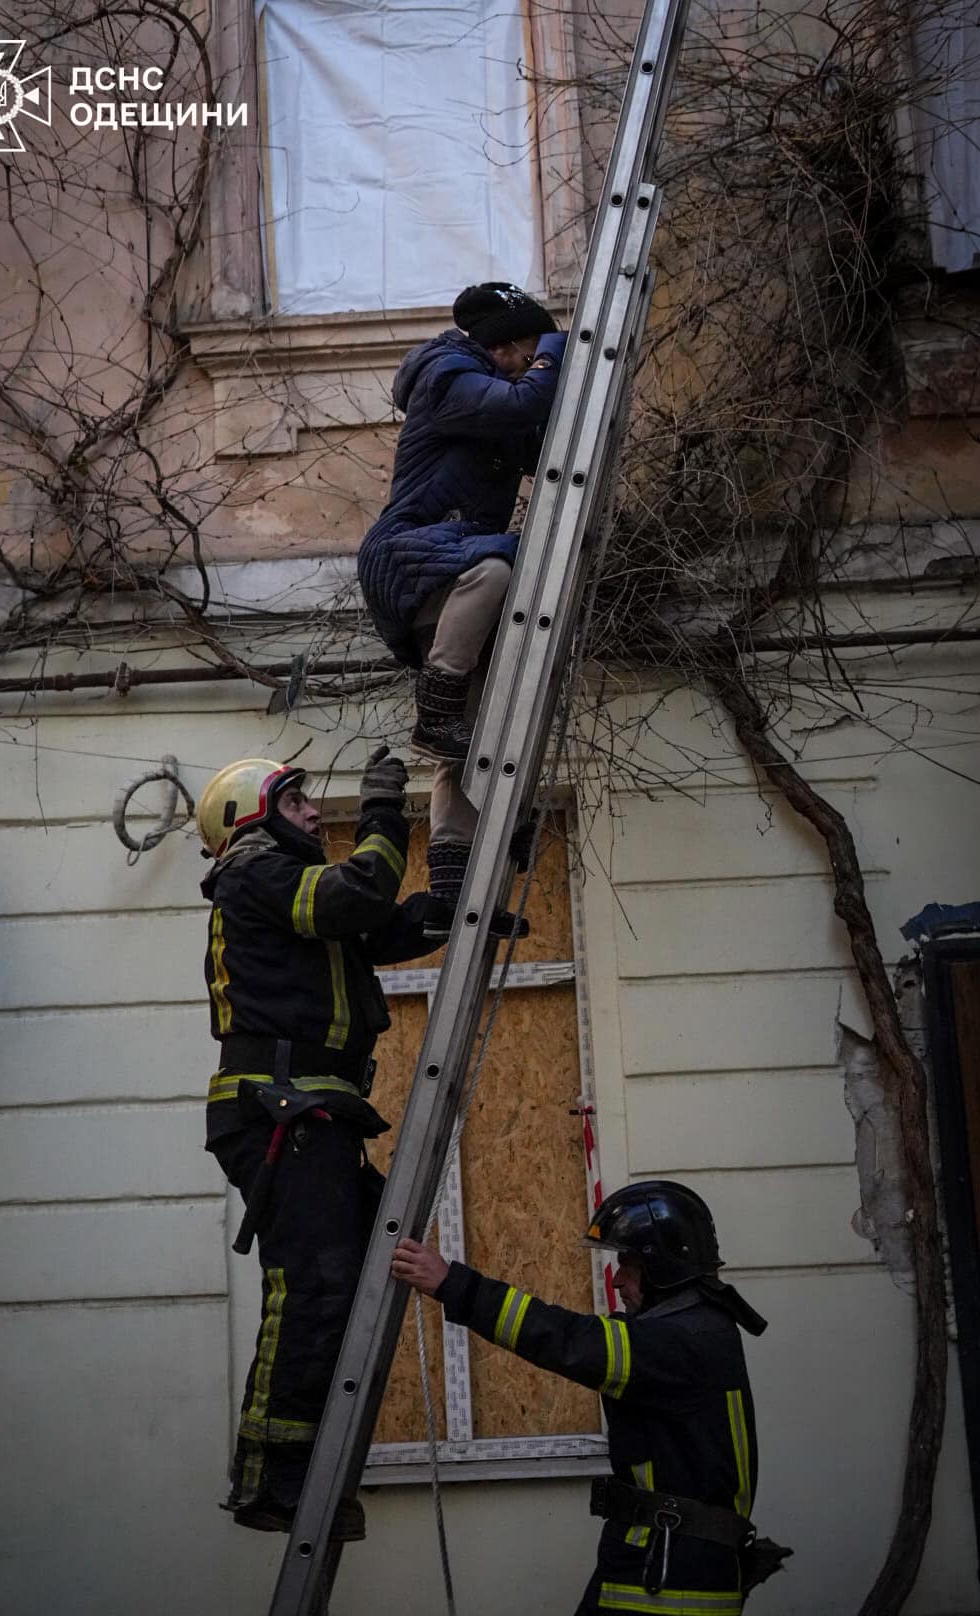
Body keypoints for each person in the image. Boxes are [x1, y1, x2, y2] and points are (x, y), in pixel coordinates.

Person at [196, 747, 439, 1540]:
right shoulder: (253, 873)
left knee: (349, 1278)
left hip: (309, 1112)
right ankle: (272, 1482)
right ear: (253, 816)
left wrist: (460, 912)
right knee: (312, 1284)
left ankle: (309, 1470)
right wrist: (381, 811)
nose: (310, 809)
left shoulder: (288, 902)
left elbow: (375, 928)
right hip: (279, 1113)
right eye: (295, 798)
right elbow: (357, 892)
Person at [394, 1179, 788, 1614]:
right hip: (659, 1564)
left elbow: (566, 1341)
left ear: (662, 1267)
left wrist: (455, 1285)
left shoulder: (681, 1342)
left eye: (628, 1264)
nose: (617, 1280)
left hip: (668, 1580)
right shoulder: (696, 1332)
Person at [358, 281, 567, 933]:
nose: (534, 362)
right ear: (500, 346)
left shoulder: (492, 401)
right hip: (412, 556)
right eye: (529, 350)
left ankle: (452, 899)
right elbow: (525, 401)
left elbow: (541, 436)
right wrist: (565, 351)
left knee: (469, 743)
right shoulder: (447, 375)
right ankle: (436, 703)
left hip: (447, 567)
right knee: (503, 563)